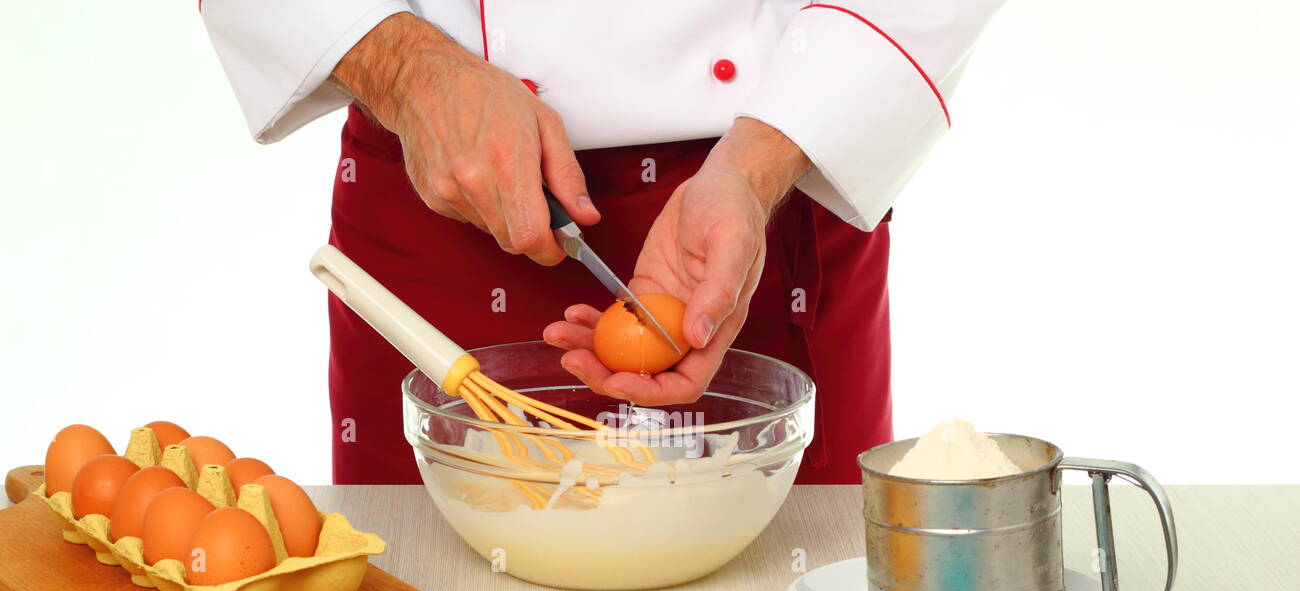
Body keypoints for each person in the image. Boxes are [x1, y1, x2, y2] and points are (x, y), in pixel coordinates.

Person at [201, 1, 1003, 483]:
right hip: (446, 181)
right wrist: (405, 69)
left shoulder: (760, 180)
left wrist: (757, 169)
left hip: (761, 200)